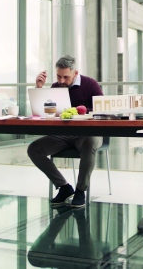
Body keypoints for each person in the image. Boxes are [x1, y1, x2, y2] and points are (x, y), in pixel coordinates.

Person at [27, 55, 103, 208]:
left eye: (65, 77)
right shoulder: (56, 87)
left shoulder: (90, 84)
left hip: (88, 133)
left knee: (90, 142)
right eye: (58, 76)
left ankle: (81, 190)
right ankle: (64, 187)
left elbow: (101, 109)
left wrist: (79, 111)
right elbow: (42, 111)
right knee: (34, 149)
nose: (61, 81)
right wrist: (39, 88)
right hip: (62, 134)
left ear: (75, 73)